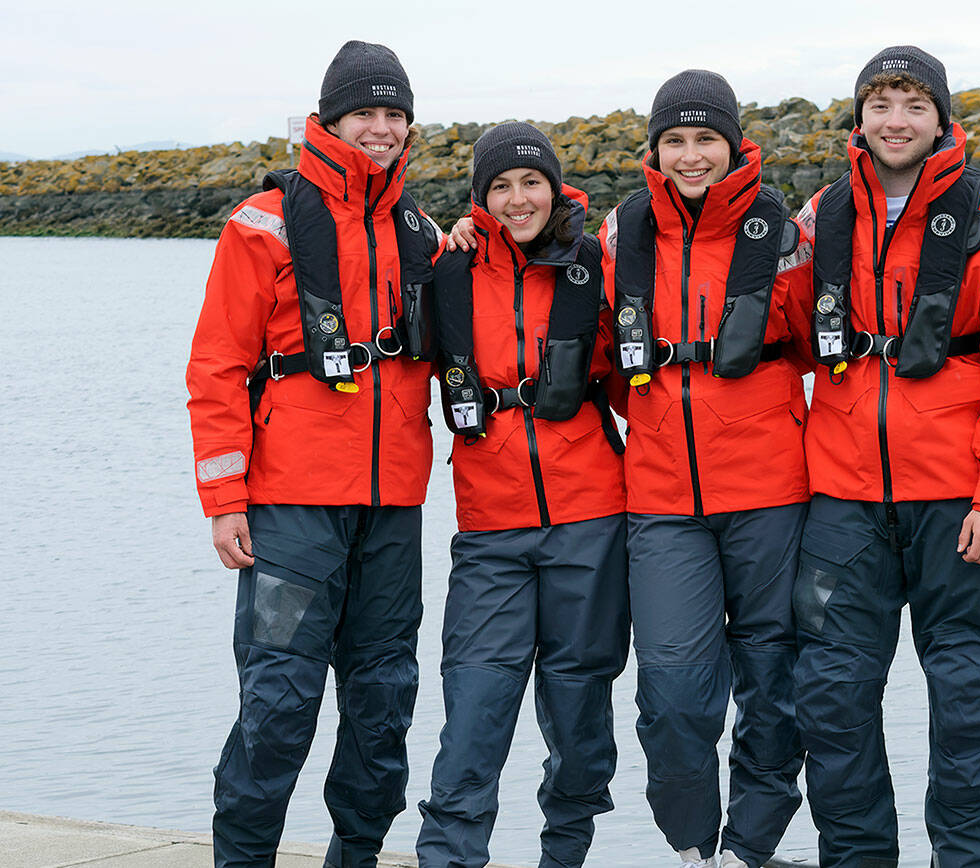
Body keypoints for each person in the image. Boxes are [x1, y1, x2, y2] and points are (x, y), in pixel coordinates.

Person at [789, 46, 980, 867]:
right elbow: (756, 323)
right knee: (832, 704)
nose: (895, 121)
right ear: (859, 119)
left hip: (958, 511)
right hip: (841, 506)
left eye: (912, 105)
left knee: (967, 703)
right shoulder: (816, 220)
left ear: (942, 120)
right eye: (880, 104)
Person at [186, 40, 439, 868]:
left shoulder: (423, 233)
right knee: (279, 702)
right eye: (365, 112)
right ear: (330, 119)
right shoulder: (261, 223)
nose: (381, 127)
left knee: (384, 703)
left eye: (394, 114)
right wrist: (224, 499)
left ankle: (355, 857)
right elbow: (217, 366)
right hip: (290, 506)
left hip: (393, 509)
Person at [598, 70, 812, 868]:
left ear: (733, 143)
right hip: (660, 500)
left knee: (775, 687)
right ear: (655, 149)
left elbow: (817, 348)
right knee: (672, 693)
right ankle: (694, 848)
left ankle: (750, 849)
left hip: (772, 493)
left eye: (705, 139)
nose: (691, 156)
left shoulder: (784, 233)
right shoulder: (624, 235)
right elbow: (600, 359)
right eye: (675, 141)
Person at [414, 122, 630, 868]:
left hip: (591, 524)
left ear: (554, 187)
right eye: (499, 186)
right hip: (489, 529)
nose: (516, 199)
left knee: (579, 728)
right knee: (471, 719)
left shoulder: (595, 267)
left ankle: (563, 856)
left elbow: (638, 383)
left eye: (530, 182)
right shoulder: (448, 269)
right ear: (479, 198)